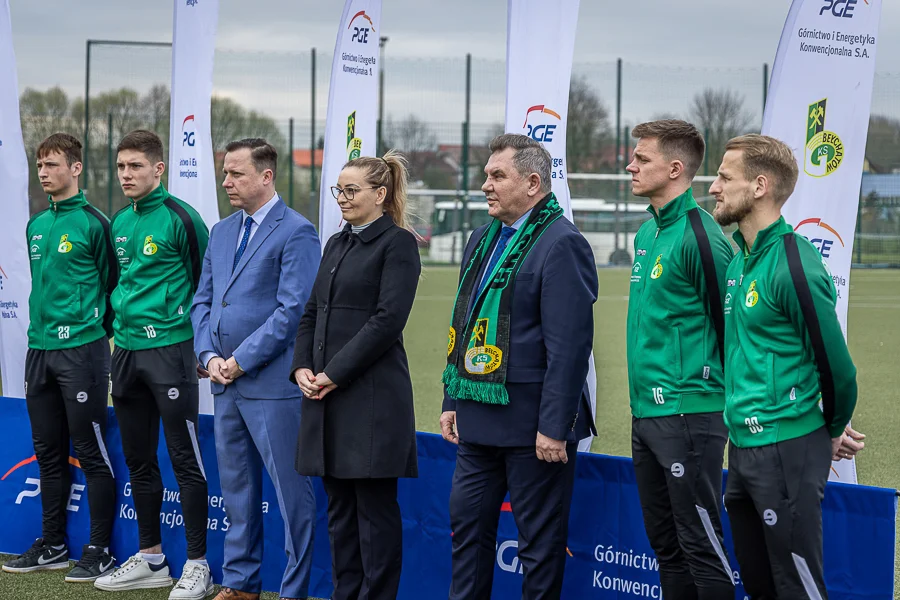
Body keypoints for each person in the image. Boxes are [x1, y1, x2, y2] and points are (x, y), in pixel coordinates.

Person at [440, 134, 597, 600]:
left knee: (538, 549)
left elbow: (569, 349)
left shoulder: (563, 242)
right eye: (486, 175)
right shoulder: (481, 238)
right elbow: (467, 327)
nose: (484, 184)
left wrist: (553, 427)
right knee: (467, 536)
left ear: (532, 183)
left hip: (535, 432)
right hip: (477, 422)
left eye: (497, 176)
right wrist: (453, 399)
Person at [710, 134, 860, 598]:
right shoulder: (740, 262)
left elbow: (838, 368)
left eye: (724, 176)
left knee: (796, 587)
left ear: (759, 186)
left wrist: (829, 427)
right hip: (744, 449)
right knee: (759, 585)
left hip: (787, 446)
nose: (714, 187)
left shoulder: (794, 261)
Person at [191, 138, 320, 600]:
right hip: (224, 385)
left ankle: (294, 590)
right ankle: (242, 584)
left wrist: (239, 361)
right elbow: (203, 300)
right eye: (225, 173)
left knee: (292, 498)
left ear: (266, 176)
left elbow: (292, 312)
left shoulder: (297, 232)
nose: (227, 182)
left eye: (237, 174)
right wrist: (208, 357)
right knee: (237, 494)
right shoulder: (221, 231)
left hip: (271, 387)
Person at [291, 150, 420, 600]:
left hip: (371, 402)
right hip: (327, 398)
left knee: (374, 518)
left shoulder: (398, 244)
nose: (342, 198)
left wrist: (333, 374)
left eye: (351, 190)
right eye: (338, 190)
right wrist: (303, 368)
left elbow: (387, 321)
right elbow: (311, 313)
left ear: (380, 194)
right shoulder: (336, 243)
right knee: (340, 514)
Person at [94, 130, 211, 599]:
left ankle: (198, 565)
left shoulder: (183, 218)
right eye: (122, 167)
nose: (127, 175)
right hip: (124, 353)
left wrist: (201, 346)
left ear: (158, 169)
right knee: (139, 459)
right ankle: (152, 558)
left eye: (136, 166)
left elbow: (207, 286)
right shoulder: (120, 221)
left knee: (184, 460)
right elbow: (115, 283)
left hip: (170, 350)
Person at [624, 120, 735, 599]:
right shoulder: (648, 234)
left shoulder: (702, 237)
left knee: (700, 546)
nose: (630, 165)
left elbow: (735, 328)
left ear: (674, 169)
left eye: (641, 159)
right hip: (646, 413)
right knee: (665, 547)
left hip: (690, 414)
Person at [2, 133, 118, 583]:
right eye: (40, 166)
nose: (45, 173)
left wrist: (90, 334)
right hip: (40, 351)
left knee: (89, 451)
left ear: (75, 168)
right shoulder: (35, 225)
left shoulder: (95, 223)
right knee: (47, 452)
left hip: (83, 352)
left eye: (52, 165)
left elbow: (112, 287)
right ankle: (52, 543)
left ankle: (101, 550)